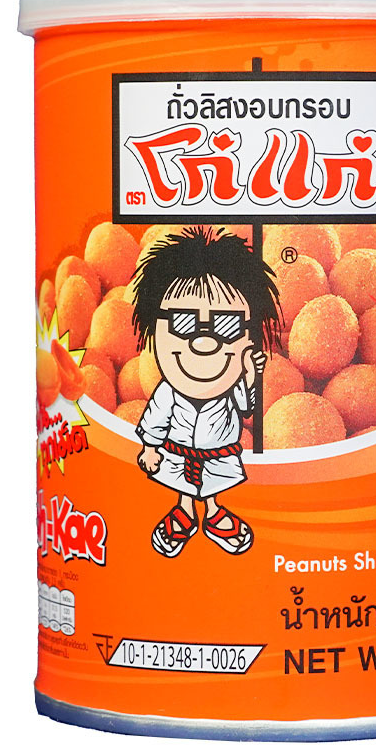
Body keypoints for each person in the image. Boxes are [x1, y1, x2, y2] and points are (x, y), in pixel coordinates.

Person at [130, 227, 281, 558]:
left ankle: (213, 514)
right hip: (178, 452)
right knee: (183, 487)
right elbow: (155, 416)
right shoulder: (167, 390)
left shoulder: (232, 380)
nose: (203, 342)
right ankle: (184, 514)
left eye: (226, 326)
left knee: (213, 486)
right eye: (183, 323)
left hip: (217, 455)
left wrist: (250, 374)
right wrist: (151, 448)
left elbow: (247, 407)